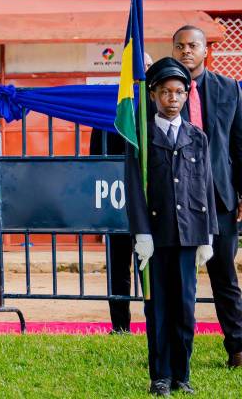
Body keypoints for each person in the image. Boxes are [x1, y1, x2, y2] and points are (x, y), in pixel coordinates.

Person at [125, 57, 216, 396]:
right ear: (153, 95)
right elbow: (133, 185)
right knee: (158, 308)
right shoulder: (142, 137)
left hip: (189, 233)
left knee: (185, 309)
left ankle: (182, 374)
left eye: (179, 92)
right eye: (165, 92)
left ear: (186, 94)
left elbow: (204, 186)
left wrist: (207, 235)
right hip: (156, 235)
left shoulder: (197, 137)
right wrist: (141, 232)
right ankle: (160, 374)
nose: (172, 99)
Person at [172, 25, 242, 369]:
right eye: (180, 46)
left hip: (220, 199)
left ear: (205, 51)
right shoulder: (165, 91)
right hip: (179, 199)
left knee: (224, 277)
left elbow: (238, 145)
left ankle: (238, 348)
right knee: (180, 279)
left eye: (193, 45)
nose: (187, 51)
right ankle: (175, 352)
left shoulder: (231, 90)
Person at [90, 52, 152, 334]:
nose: (142, 72)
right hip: (116, 199)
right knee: (117, 267)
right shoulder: (109, 107)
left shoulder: (159, 106)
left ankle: (155, 322)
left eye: (147, 67)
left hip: (151, 202)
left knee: (151, 265)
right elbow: (95, 158)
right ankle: (120, 326)